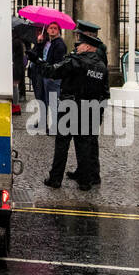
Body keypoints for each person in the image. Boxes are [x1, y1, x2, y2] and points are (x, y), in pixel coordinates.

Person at [38, 22, 109, 191]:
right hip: (89, 106)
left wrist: (38, 61)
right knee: (84, 144)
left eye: (79, 43)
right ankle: (86, 180)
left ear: (87, 45)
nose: (77, 46)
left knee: (63, 143)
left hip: (71, 105)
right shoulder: (101, 65)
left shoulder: (76, 61)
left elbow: (53, 71)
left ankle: (56, 178)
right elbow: (104, 90)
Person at [26, 22, 67, 134]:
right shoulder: (47, 42)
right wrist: (39, 43)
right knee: (42, 100)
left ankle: (55, 126)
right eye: (51, 28)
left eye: (55, 28)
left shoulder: (59, 44)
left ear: (58, 30)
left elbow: (59, 63)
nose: (53, 30)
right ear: (47, 30)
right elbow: (38, 56)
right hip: (43, 74)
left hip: (51, 77)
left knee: (53, 102)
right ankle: (43, 122)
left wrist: (54, 75)